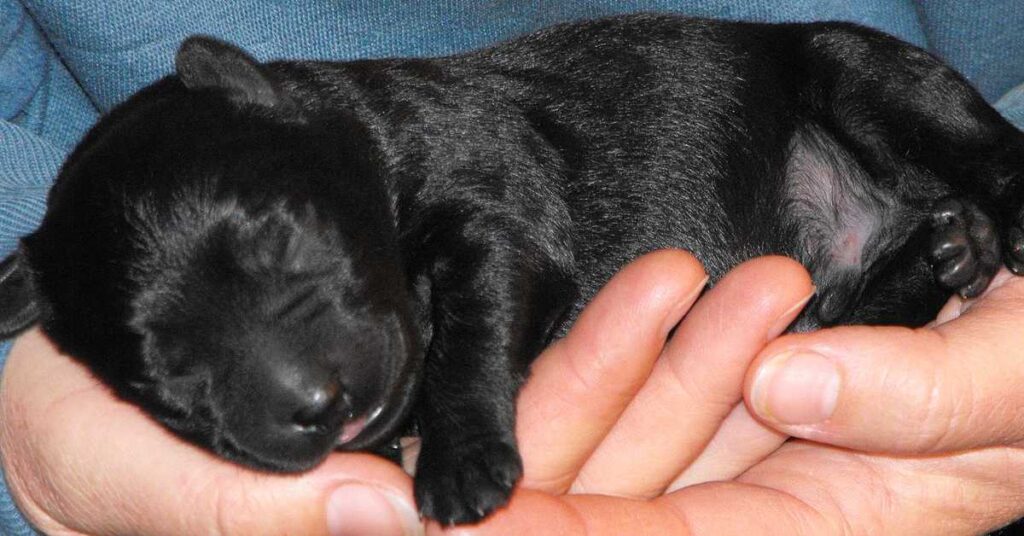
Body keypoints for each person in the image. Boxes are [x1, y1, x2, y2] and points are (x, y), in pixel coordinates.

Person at [2, 1, 1023, 534]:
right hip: (770, 362)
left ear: (277, 106)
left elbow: (512, 229)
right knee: (815, 360)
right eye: (180, 372)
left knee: (846, 63)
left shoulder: (392, 133)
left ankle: (993, 188)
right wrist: (21, 453)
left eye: (285, 256)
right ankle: (933, 258)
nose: (299, 381)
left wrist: (463, 413)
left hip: (795, 118)